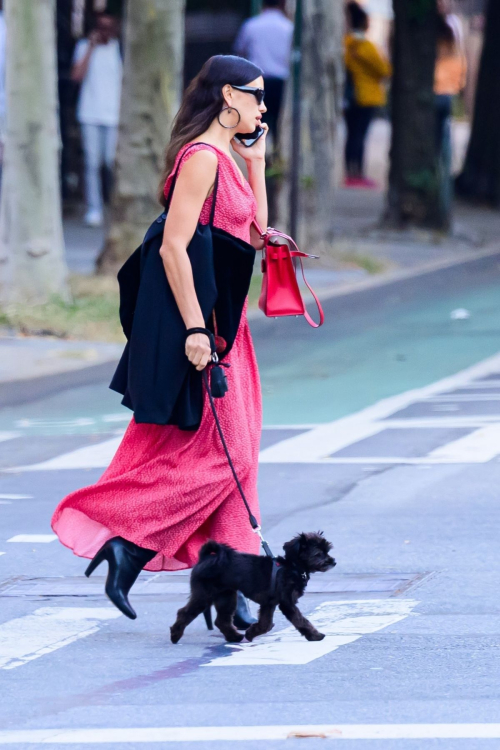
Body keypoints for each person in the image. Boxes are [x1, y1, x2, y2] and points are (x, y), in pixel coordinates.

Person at [51, 55, 269, 630]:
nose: (263, 108)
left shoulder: (230, 158)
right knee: (229, 455)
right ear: (228, 97)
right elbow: (175, 248)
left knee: (237, 463)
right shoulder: (200, 159)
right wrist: (197, 331)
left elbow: (255, 236)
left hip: (231, 325)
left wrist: (259, 164)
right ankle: (130, 542)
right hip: (206, 327)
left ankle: (230, 589)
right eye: (256, 96)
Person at [71, 13, 122, 227]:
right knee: (92, 163)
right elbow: (76, 76)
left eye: (108, 27)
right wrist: (91, 47)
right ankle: (94, 208)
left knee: (111, 162)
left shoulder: (120, 48)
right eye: (101, 27)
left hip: (114, 116)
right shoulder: (84, 46)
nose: (104, 31)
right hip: (90, 113)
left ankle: (115, 205)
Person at [233, 0, 293, 155]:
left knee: (257, 121)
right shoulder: (289, 27)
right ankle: (277, 155)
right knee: (279, 122)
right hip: (281, 81)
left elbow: (240, 50)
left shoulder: (251, 25)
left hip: (257, 82)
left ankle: (259, 154)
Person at [344, 1, 391, 188]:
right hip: (367, 96)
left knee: (351, 135)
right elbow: (384, 70)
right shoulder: (367, 46)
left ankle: (349, 172)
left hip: (349, 97)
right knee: (360, 136)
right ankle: (358, 173)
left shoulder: (345, 45)